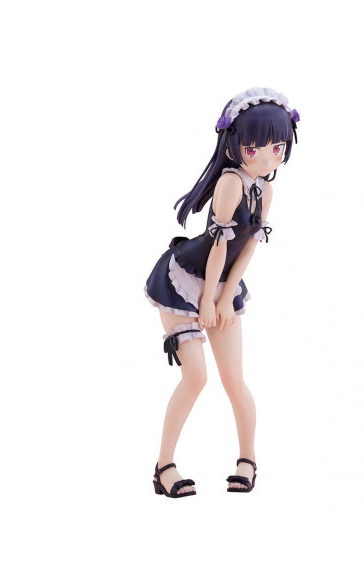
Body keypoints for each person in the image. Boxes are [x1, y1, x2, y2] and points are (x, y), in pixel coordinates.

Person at [144, 87, 300, 498]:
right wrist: (208, 300)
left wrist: (228, 296)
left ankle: (248, 459)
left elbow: (248, 246)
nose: (266, 158)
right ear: (234, 146)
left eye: (277, 148)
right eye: (254, 148)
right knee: (196, 377)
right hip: (184, 280)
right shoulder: (230, 183)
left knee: (234, 380)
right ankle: (163, 467)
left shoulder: (265, 189)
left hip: (222, 283)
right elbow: (217, 248)